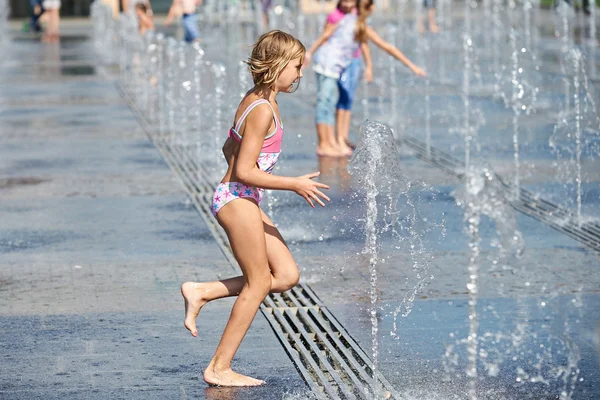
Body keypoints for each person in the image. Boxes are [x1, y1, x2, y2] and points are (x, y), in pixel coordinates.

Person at [180, 30, 330, 387]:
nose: (299, 74)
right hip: (236, 199)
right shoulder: (262, 110)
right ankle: (219, 367)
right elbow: (245, 169)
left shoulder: (255, 100)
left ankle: (202, 291)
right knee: (260, 281)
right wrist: (294, 183)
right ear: (277, 66)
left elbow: (227, 148)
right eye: (296, 67)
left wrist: (243, 179)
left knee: (287, 275)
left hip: (242, 197)